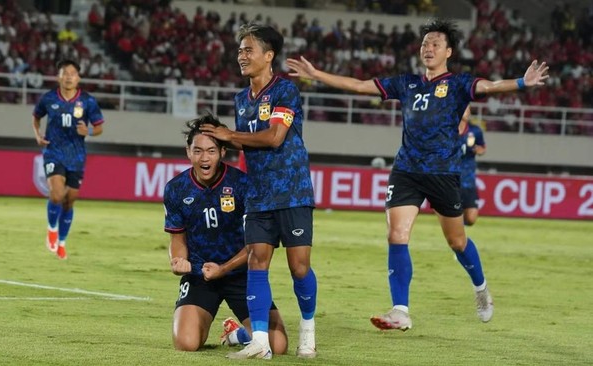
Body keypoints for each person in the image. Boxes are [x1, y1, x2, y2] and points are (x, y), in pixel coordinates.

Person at [287, 18, 549, 330]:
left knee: (457, 240)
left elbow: (489, 86)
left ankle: (480, 289)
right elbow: (360, 85)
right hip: (406, 170)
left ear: (448, 51)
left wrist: (522, 82)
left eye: (435, 44)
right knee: (396, 235)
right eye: (425, 44)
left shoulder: (458, 84)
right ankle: (400, 310)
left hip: (443, 173)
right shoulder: (406, 83)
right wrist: (317, 75)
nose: (428, 48)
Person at [200, 23, 318, 359]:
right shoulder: (241, 98)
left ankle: (308, 331)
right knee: (256, 261)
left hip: (292, 191)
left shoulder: (285, 91)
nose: (241, 56)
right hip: (259, 194)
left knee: (299, 267)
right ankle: (260, 342)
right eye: (239, 50)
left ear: (269, 56)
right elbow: (242, 149)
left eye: (248, 49)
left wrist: (230, 135)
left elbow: (274, 137)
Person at [164, 114, 288, 353]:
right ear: (188, 152)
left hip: (241, 275)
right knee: (186, 343)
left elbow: (259, 243)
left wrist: (225, 268)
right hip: (200, 275)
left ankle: (237, 334)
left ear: (222, 152)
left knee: (278, 346)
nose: (204, 158)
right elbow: (177, 239)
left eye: (211, 151)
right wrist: (178, 260)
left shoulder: (243, 185)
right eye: (198, 151)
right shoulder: (176, 189)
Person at [32, 59, 104, 260]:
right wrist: (38, 135)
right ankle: (52, 229)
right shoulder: (48, 98)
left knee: (69, 201)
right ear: (59, 76)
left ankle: (62, 242)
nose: (69, 76)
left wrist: (88, 130)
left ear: (78, 77)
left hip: (77, 156)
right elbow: (36, 116)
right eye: (66, 73)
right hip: (53, 152)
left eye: (73, 73)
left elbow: (99, 127)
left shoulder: (88, 101)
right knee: (56, 195)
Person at [459, 106, 486, 226]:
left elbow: (482, 147)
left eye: (467, 108)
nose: (466, 111)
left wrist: (479, 150)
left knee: (471, 219)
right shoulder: (447, 128)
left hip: (468, 180)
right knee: (452, 215)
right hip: (450, 178)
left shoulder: (475, 131)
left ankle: (457, 229)